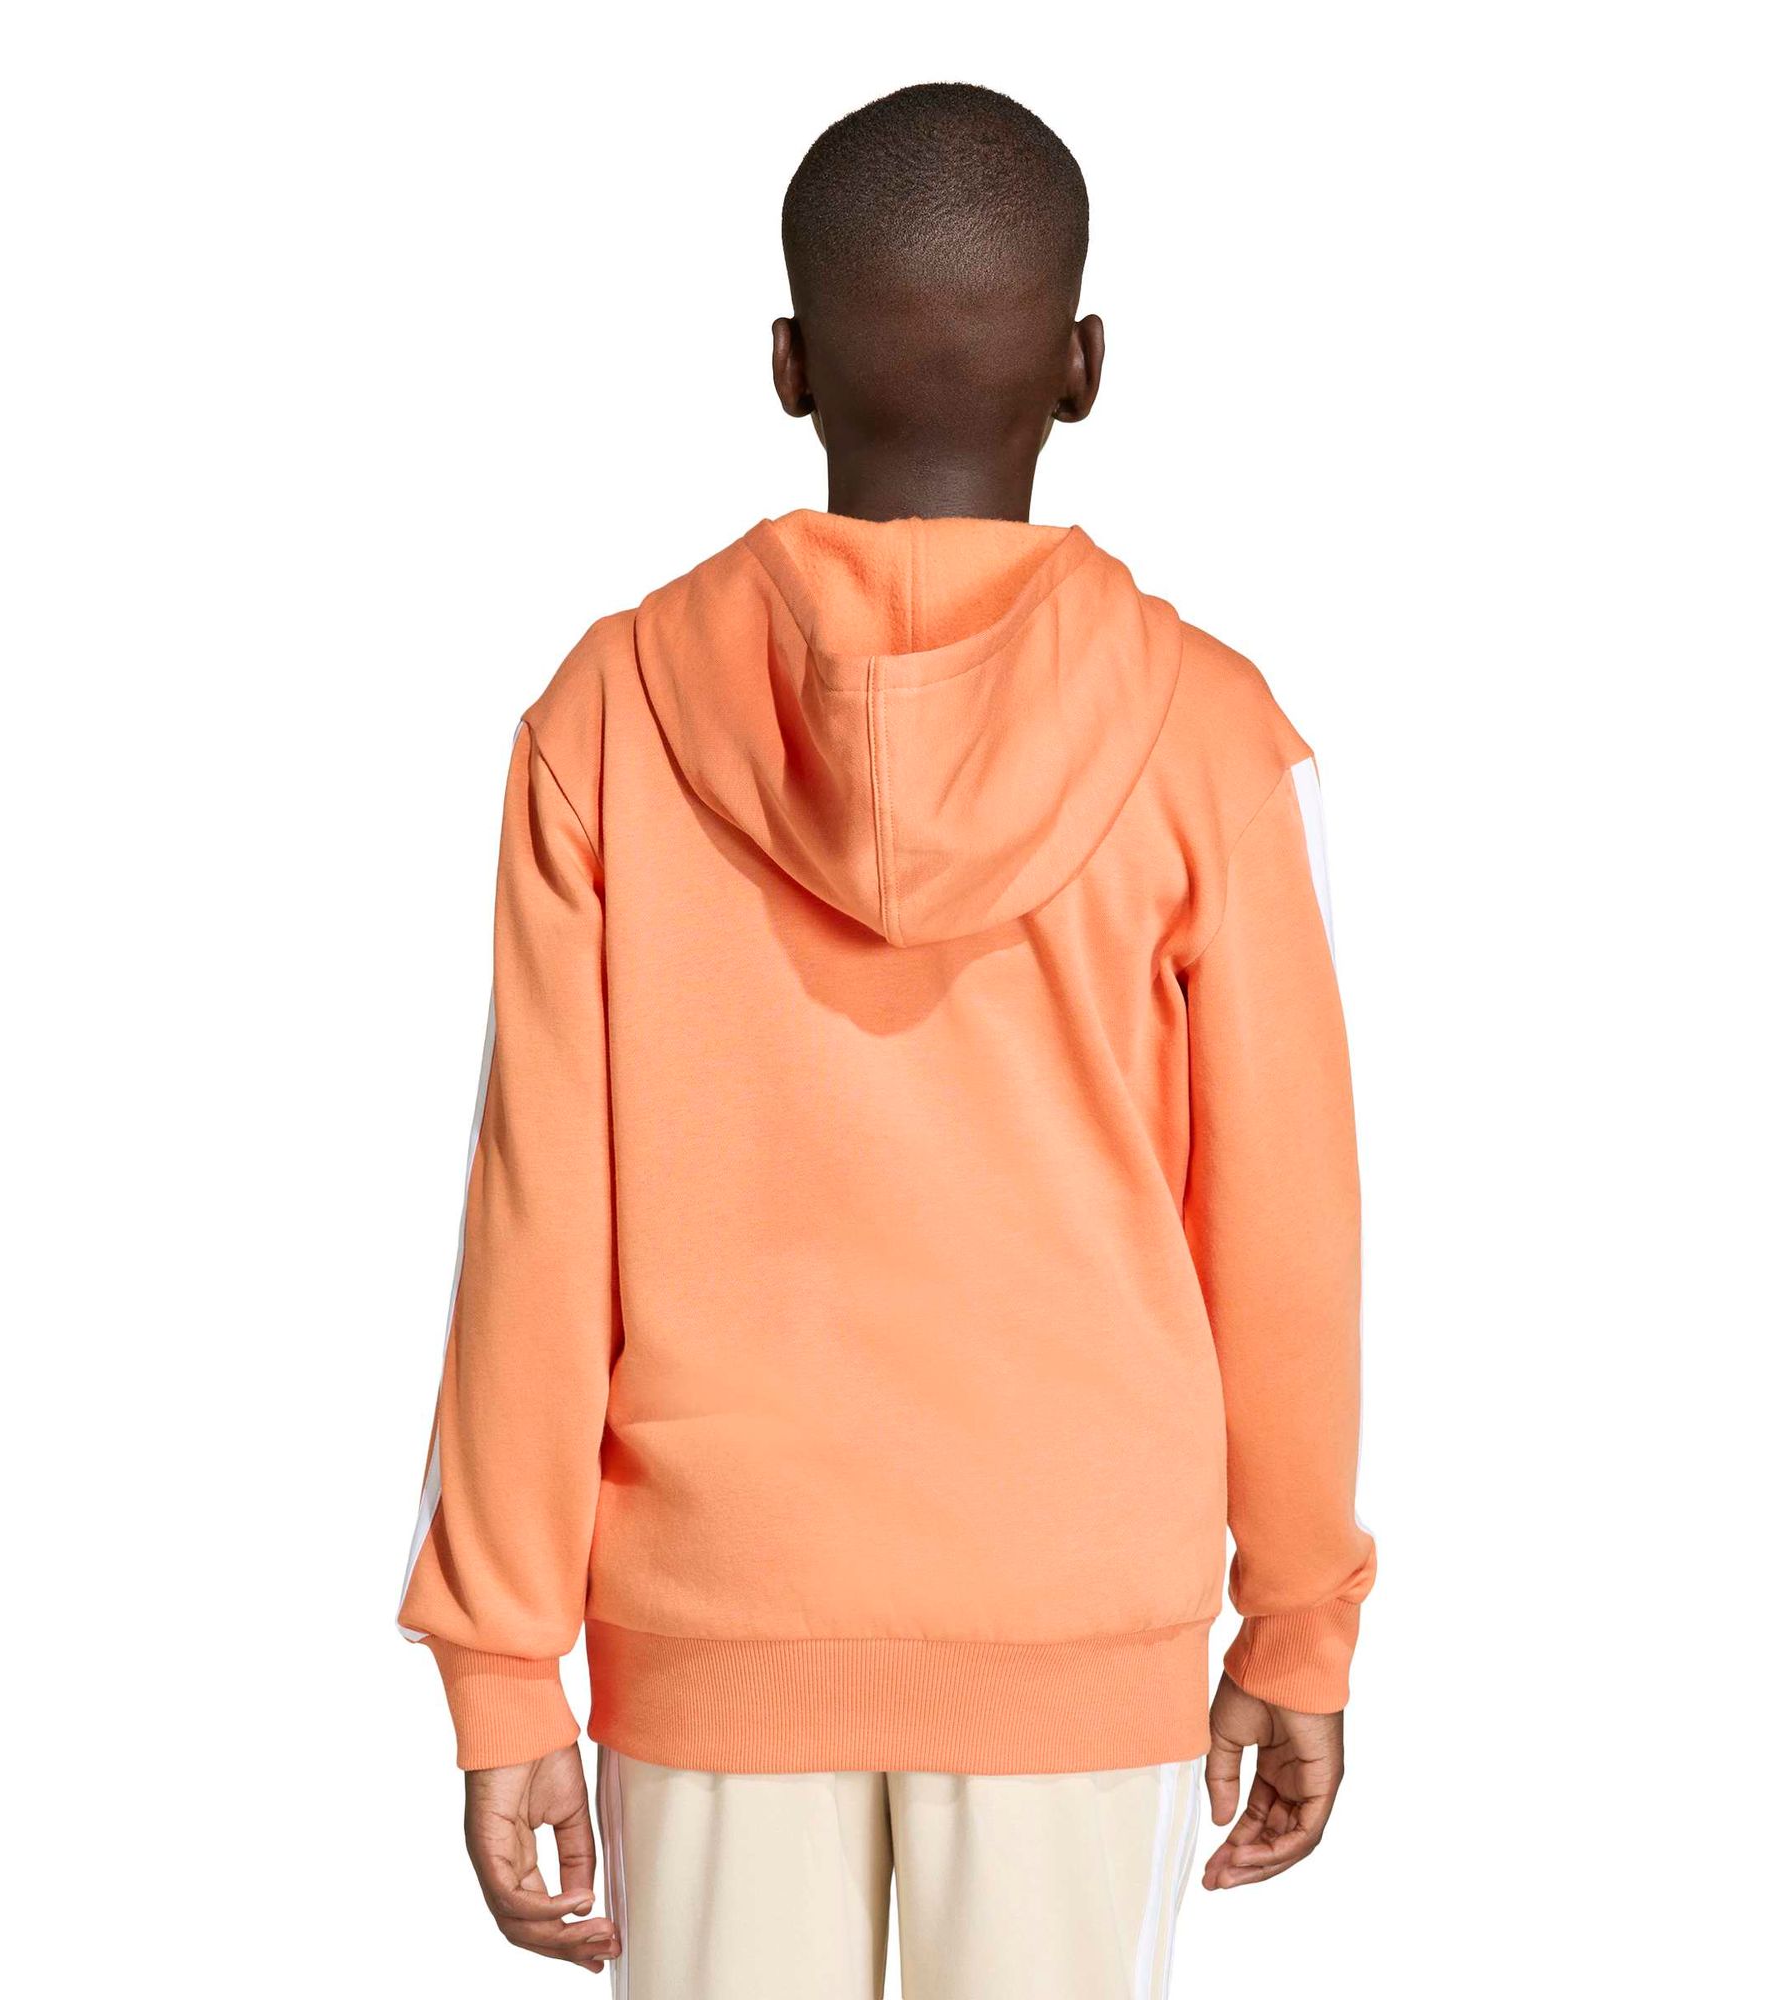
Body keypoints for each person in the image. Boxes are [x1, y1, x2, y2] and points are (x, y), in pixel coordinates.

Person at [397, 81, 1375, 1998]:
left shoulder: (606, 716)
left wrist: (504, 1666)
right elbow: (1286, 1224)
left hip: (715, 1613)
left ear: (788, 365)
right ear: (1084, 367)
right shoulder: (1213, 735)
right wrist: (1298, 1620)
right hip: (1077, 1608)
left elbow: (533, 1218)